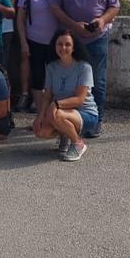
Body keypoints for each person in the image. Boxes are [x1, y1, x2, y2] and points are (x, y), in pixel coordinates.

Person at [49, 0, 120, 138]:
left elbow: (114, 6)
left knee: (97, 80)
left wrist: (102, 20)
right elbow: (54, 6)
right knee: (70, 81)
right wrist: (73, 26)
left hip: (97, 37)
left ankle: (96, 121)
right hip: (72, 40)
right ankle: (71, 120)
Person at [32, 30, 98, 162]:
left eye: (67, 44)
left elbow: (80, 99)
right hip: (60, 110)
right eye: (60, 44)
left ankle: (78, 143)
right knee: (41, 131)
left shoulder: (84, 67)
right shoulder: (51, 67)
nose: (63, 48)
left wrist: (56, 105)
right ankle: (65, 134)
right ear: (55, 46)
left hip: (85, 113)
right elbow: (47, 95)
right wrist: (40, 116)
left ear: (73, 47)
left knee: (57, 115)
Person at [17, 0, 62, 114]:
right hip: (35, 40)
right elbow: (20, 18)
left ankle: (53, 113)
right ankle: (40, 114)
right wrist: (23, 42)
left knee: (54, 78)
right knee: (37, 78)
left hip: (56, 43)